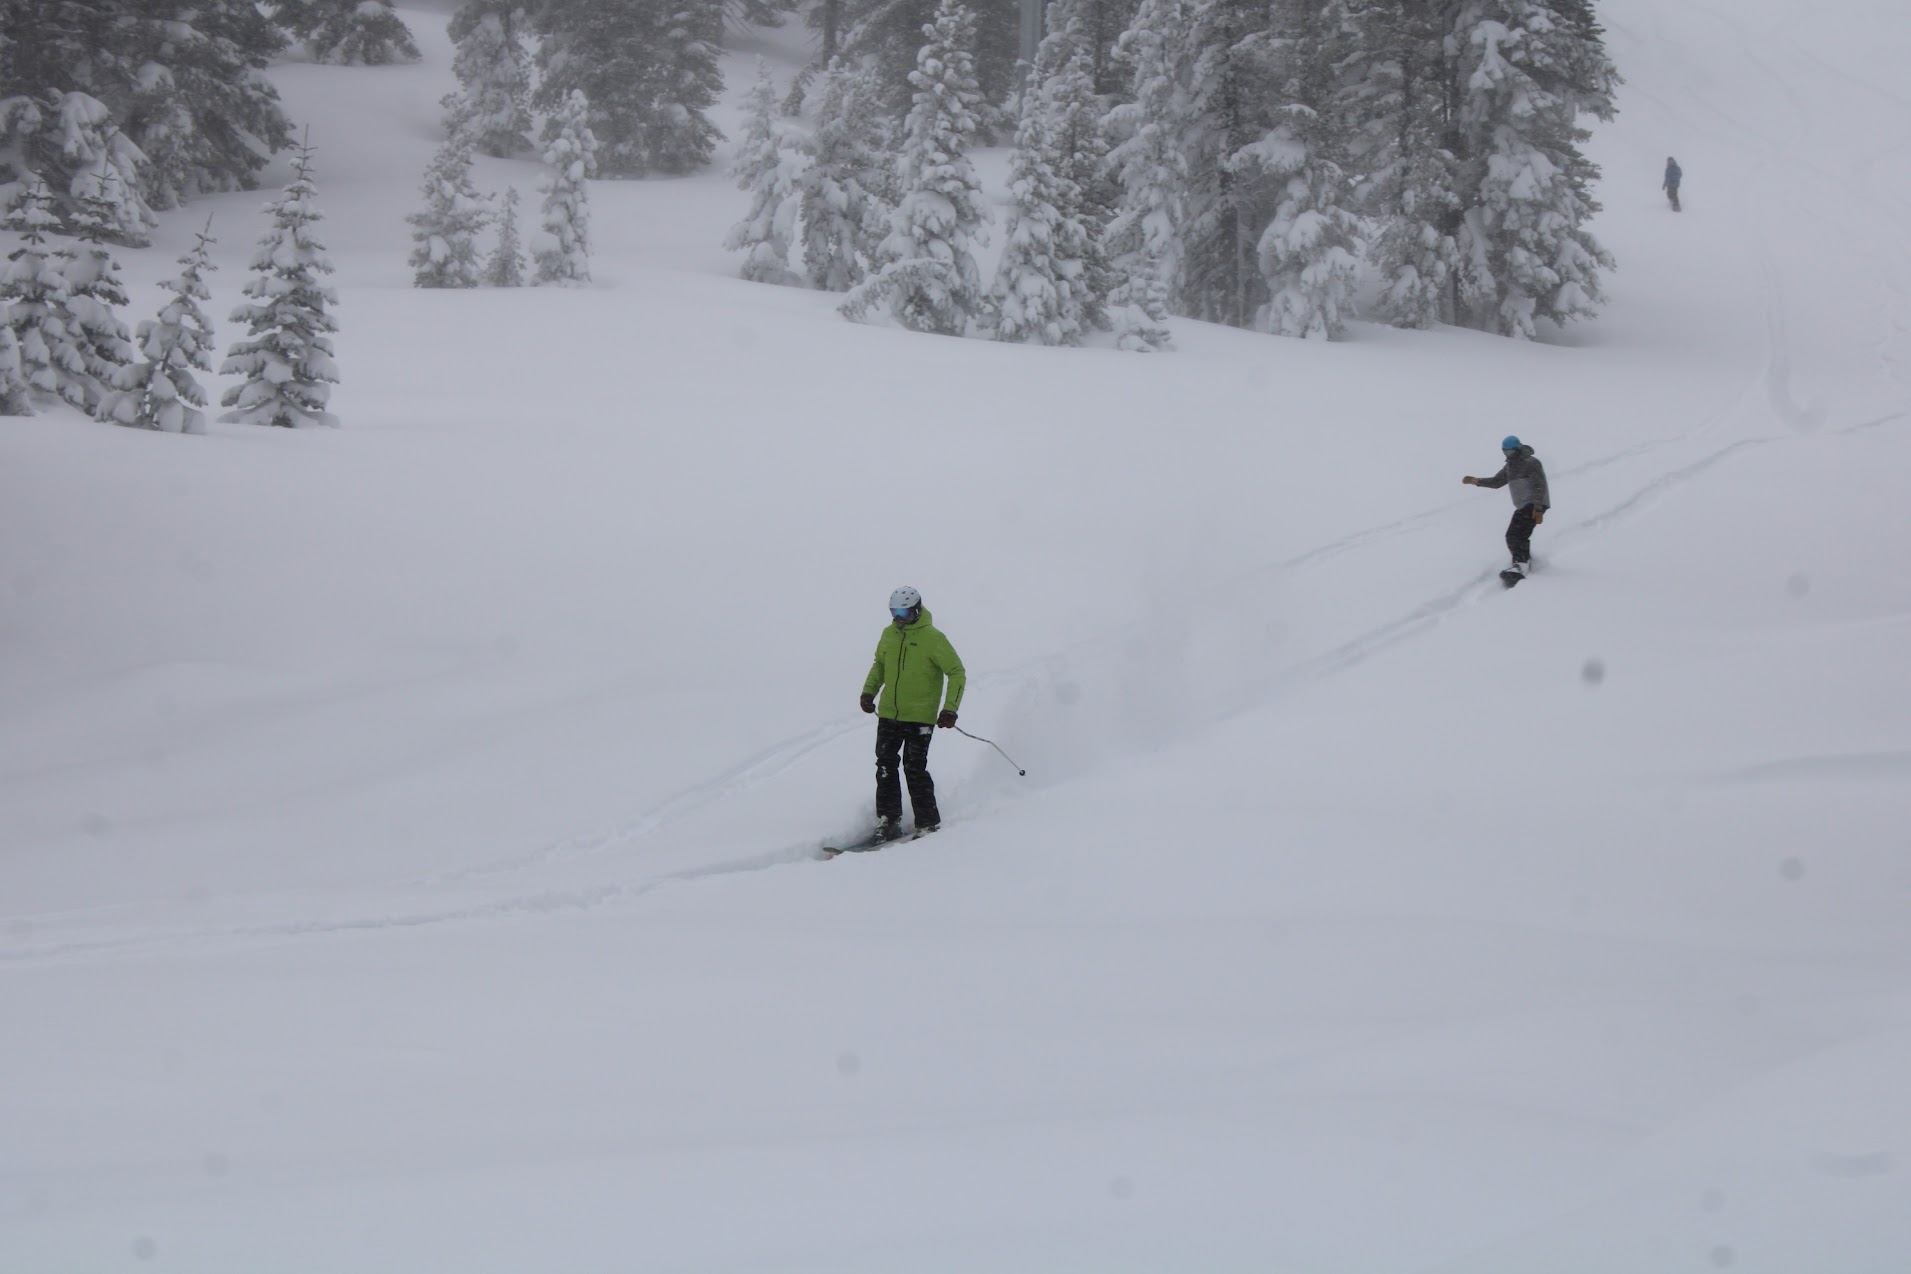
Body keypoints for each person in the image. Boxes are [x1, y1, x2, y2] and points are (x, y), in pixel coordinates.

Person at [859, 586, 966, 841]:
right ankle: (888, 820)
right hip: (889, 714)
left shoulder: (933, 638)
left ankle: (927, 823)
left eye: (903, 612)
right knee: (885, 765)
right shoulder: (888, 635)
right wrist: (868, 692)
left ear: (916, 610)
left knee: (914, 768)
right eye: (894, 611)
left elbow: (957, 672)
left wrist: (950, 709)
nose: (898, 617)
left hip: (920, 717)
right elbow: (879, 666)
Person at [1463, 436, 1551, 576]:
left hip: (1533, 503)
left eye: (1510, 452)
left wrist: (1538, 508)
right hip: (1523, 505)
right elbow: (1496, 482)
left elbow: (1539, 485)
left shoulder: (1531, 462)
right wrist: (1477, 481)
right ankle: (1524, 562)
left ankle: (1521, 565)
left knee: (1514, 535)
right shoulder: (1510, 466)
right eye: (1505, 452)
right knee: (1517, 535)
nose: (1507, 455)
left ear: (1518, 449)